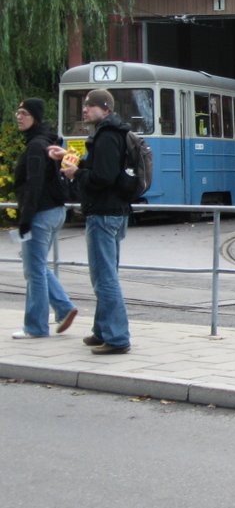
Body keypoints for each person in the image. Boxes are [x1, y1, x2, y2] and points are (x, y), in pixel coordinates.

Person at [49, 88, 132, 354]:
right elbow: (95, 167)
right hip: (114, 212)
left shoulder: (107, 136)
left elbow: (102, 177)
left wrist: (75, 175)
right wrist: (67, 158)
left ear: (106, 109)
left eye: (91, 106)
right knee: (106, 275)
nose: (85, 109)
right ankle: (102, 331)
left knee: (104, 278)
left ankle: (117, 337)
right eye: (85, 105)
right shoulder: (110, 133)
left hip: (104, 213)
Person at [11, 98, 78, 339]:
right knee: (37, 266)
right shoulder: (47, 141)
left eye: (24, 113)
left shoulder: (36, 146)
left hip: (40, 213)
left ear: (35, 117)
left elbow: (34, 185)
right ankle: (64, 308)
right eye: (18, 112)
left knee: (34, 271)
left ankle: (36, 327)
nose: (19, 116)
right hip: (54, 211)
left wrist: (25, 219)